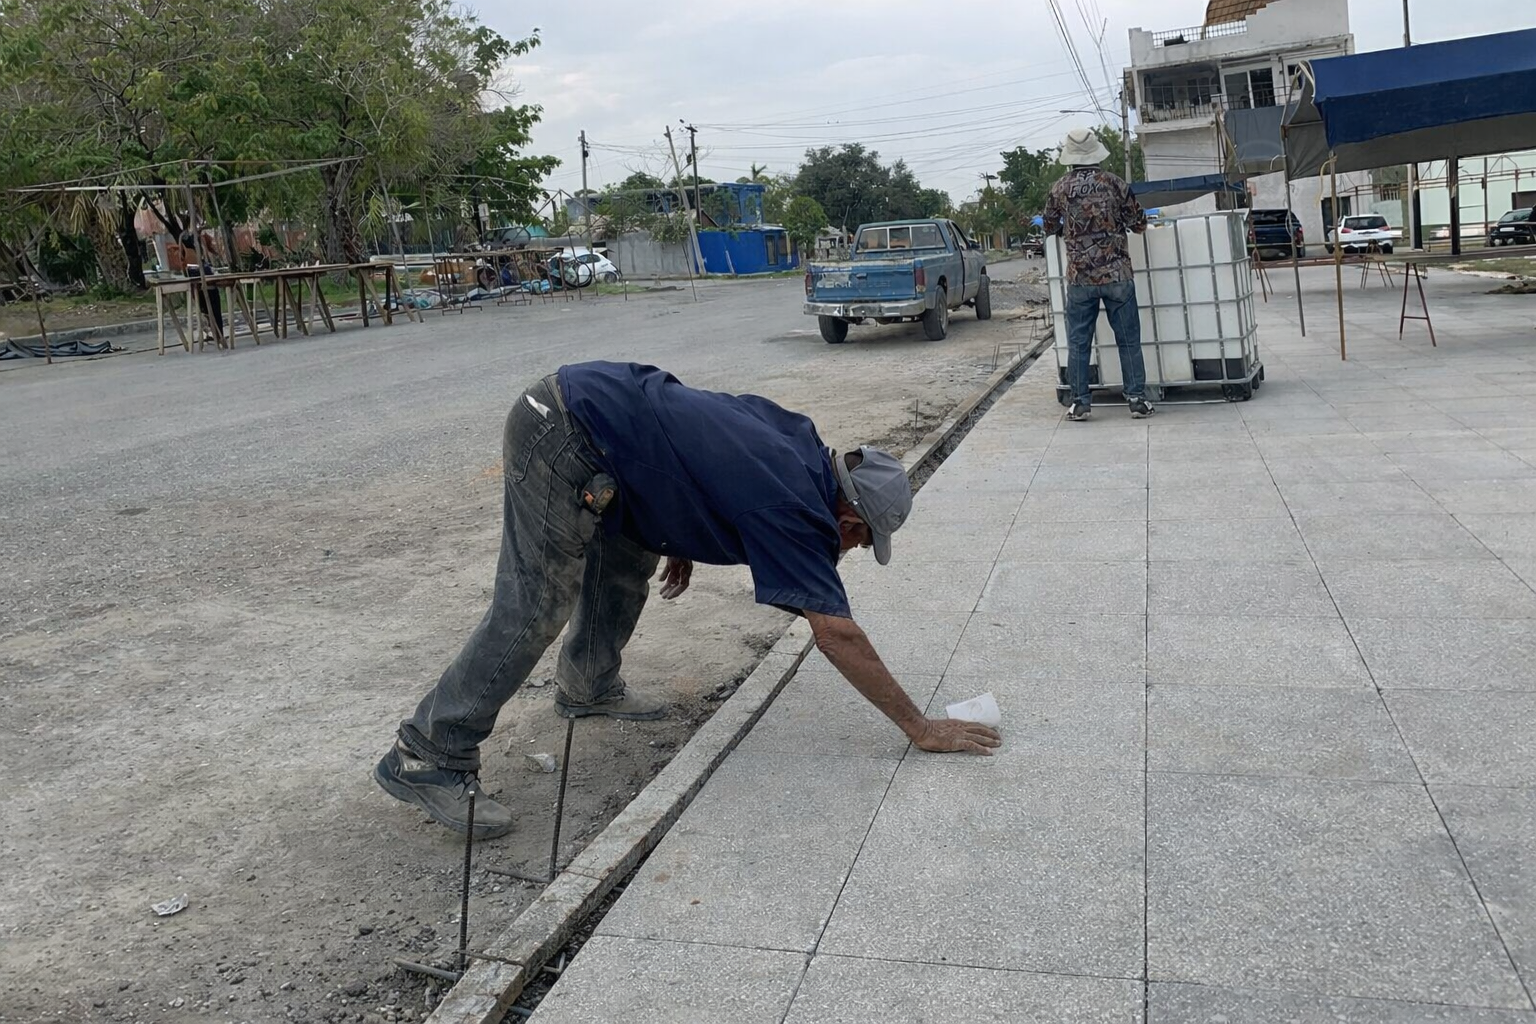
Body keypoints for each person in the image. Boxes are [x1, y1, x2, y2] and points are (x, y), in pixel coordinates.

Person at [375, 362, 1002, 838]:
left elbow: (703, 453)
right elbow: (836, 633)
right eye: (862, 541)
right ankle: (429, 751)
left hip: (598, 423)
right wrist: (920, 727)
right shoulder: (792, 505)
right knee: (537, 601)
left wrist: (678, 530)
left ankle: (587, 685)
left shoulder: (802, 449)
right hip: (565, 432)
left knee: (628, 559)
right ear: (850, 518)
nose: (856, 551)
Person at [1044, 127, 1155, 421]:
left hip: (1080, 278)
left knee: (1079, 343)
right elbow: (1139, 223)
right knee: (1128, 340)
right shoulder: (1115, 183)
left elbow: (1049, 226)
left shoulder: (1059, 188)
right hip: (1117, 275)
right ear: (1097, 153)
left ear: (1070, 157)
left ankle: (1080, 403)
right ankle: (1137, 400)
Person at [168, 231, 223, 342]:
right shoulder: (193, 256)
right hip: (201, 280)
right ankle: (217, 332)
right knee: (210, 302)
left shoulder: (188, 255)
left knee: (206, 304)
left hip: (198, 281)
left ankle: (214, 331)